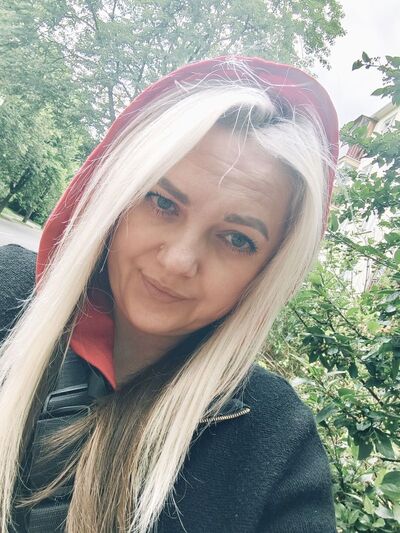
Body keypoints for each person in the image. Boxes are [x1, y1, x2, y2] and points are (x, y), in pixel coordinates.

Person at [0, 56, 339, 532]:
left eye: (236, 238)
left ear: (266, 272)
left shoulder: (276, 444)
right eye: (163, 202)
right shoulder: (8, 289)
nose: (179, 260)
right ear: (118, 195)